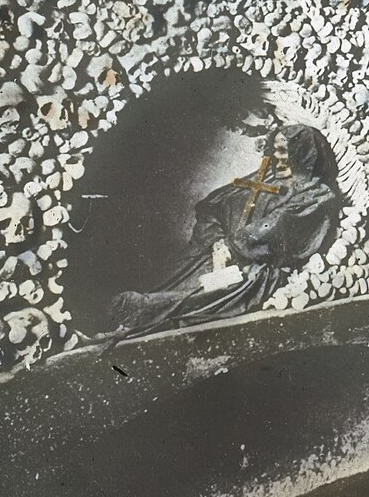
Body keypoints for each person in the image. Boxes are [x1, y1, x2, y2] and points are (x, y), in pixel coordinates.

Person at [105, 124, 342, 339]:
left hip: (255, 269)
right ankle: (123, 321)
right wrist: (216, 242)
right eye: (276, 150)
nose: (277, 157)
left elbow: (277, 227)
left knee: (193, 299)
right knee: (168, 279)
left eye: (284, 151)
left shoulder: (317, 195)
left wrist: (230, 247)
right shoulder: (265, 176)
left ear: (302, 153)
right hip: (218, 254)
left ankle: (136, 319)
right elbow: (213, 206)